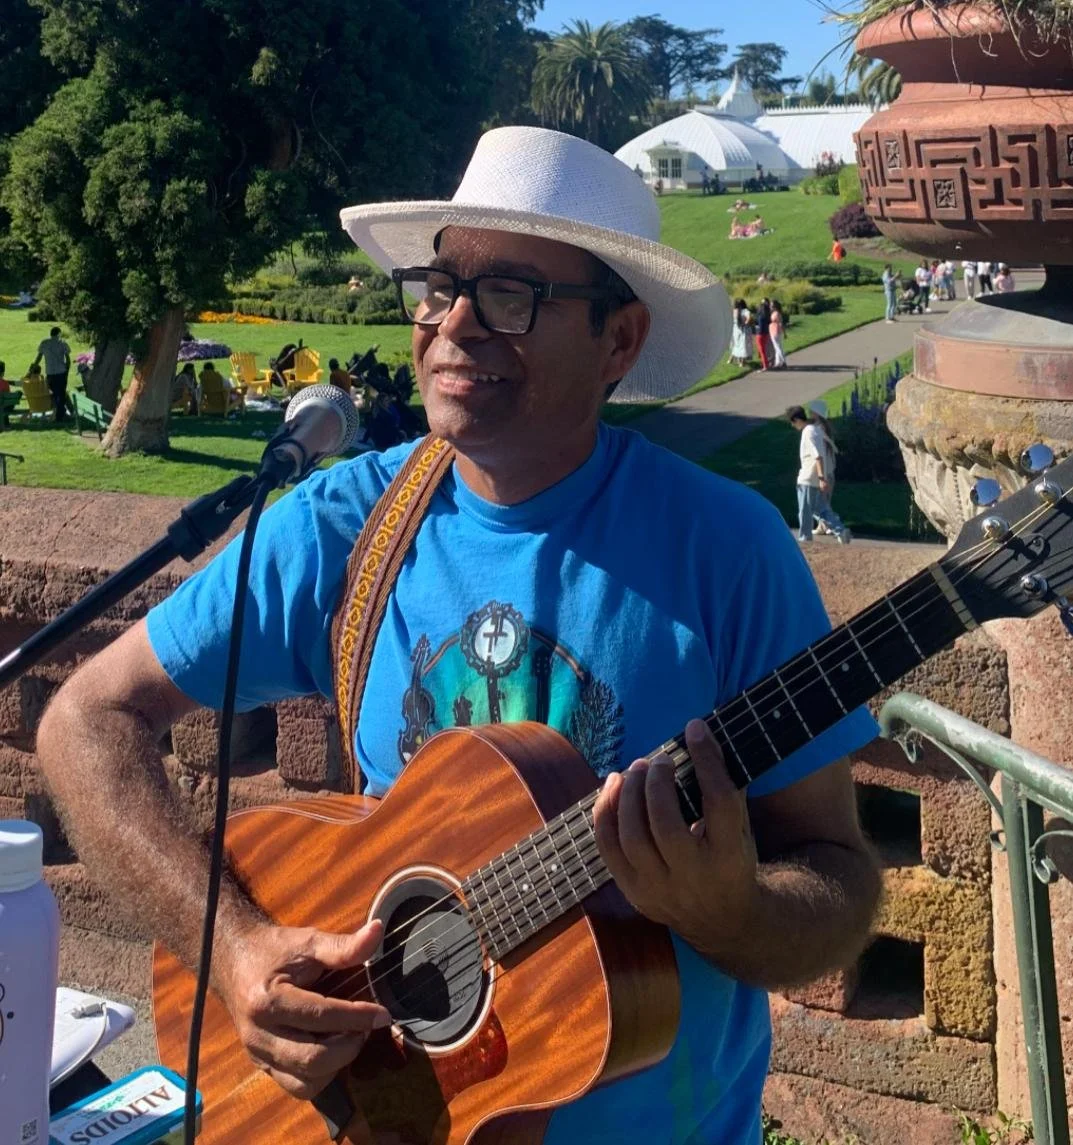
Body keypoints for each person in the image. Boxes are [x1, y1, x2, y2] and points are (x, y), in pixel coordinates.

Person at [35, 126, 881, 1145]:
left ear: (616, 341)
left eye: (512, 295)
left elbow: (832, 873)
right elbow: (85, 717)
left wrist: (730, 907)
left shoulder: (726, 550)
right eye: (439, 287)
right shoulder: (341, 525)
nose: (453, 326)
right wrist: (235, 950)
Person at [788, 404, 850, 545]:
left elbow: (818, 456)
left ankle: (805, 539)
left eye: (793, 422)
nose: (793, 425)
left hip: (808, 478)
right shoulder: (817, 430)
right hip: (816, 477)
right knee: (820, 508)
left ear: (797, 419)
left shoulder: (808, 432)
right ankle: (840, 530)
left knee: (805, 511)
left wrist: (822, 478)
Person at [32, 325, 71, 423]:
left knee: (53, 394)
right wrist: (67, 370)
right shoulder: (62, 343)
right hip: (61, 372)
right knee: (61, 394)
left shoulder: (44, 343)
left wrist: (32, 368)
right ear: (58, 334)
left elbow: (39, 357)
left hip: (50, 372)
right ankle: (60, 415)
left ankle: (60, 413)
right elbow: (68, 359)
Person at [729, 297, 753, 365]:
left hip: (739, 329)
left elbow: (749, 318)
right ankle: (740, 361)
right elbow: (749, 318)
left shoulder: (742, 311)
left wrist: (745, 323)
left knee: (740, 344)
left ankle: (740, 361)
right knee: (740, 344)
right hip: (737, 330)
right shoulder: (738, 311)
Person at [754, 296, 772, 371]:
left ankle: (765, 366)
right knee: (763, 350)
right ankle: (765, 363)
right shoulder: (767, 316)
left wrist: (757, 330)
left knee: (762, 350)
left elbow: (760, 326)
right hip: (766, 333)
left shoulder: (761, 316)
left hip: (760, 334)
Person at [768, 301, 787, 368]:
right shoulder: (774, 313)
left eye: (771, 306)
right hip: (773, 331)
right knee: (777, 348)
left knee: (778, 347)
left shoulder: (777, 314)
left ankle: (783, 361)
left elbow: (781, 323)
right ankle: (778, 362)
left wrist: (784, 333)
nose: (770, 307)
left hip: (776, 331)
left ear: (775, 307)